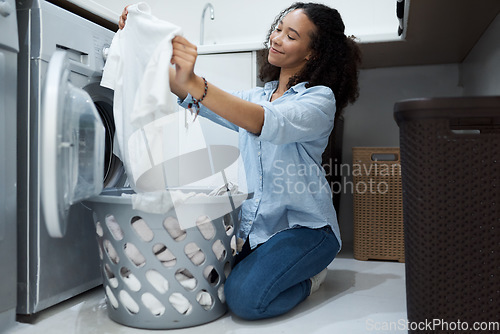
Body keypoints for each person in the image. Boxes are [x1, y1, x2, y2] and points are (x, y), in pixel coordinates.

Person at [119, 2, 361, 320]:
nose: (276, 38)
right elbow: (191, 93)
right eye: (278, 29)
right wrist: (136, 40)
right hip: (257, 229)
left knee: (244, 299)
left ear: (312, 52)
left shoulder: (318, 100)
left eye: (291, 36)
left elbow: (263, 121)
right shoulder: (256, 96)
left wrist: (197, 83)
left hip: (305, 229)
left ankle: (311, 279)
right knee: (199, 278)